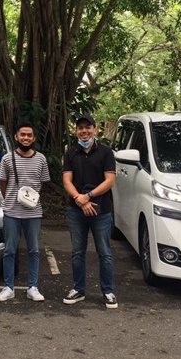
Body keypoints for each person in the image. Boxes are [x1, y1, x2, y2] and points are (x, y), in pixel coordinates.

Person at [62, 114, 118, 309]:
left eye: (88, 127)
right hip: (76, 210)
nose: (84, 131)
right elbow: (67, 181)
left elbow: (109, 181)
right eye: (80, 128)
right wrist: (80, 199)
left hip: (102, 211)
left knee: (105, 252)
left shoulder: (106, 152)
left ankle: (108, 291)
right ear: (76, 131)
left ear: (95, 130)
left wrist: (89, 196)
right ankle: (78, 289)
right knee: (77, 252)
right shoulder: (71, 154)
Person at [0, 121, 51, 302]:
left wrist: (31, 199)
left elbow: (42, 183)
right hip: (11, 212)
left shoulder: (41, 159)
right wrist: (11, 199)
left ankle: (33, 287)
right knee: (9, 250)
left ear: (34, 138)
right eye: (23, 135)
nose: (26, 138)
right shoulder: (7, 159)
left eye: (29, 135)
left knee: (34, 250)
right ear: (16, 137)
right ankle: (8, 287)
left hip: (33, 213)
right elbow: (3, 183)